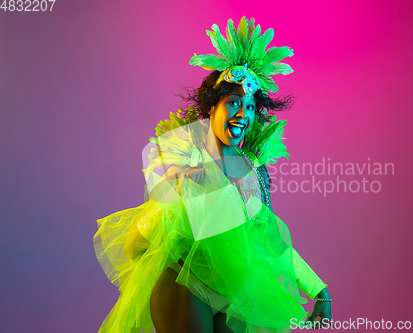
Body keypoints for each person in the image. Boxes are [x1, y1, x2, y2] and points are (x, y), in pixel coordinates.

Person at [93, 17, 332, 333]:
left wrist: (317, 289)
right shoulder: (187, 162)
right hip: (186, 285)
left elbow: (272, 240)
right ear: (211, 107)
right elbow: (137, 242)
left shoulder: (256, 173)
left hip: (236, 294)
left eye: (249, 107)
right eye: (234, 102)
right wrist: (172, 188)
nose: (242, 115)